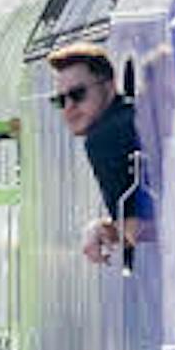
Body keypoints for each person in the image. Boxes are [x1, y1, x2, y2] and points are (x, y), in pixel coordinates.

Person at [48, 42, 152, 264]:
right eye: (60, 100)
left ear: (109, 85)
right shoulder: (130, 115)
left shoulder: (103, 138)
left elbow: (136, 228)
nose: (68, 108)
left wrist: (103, 231)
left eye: (78, 94)